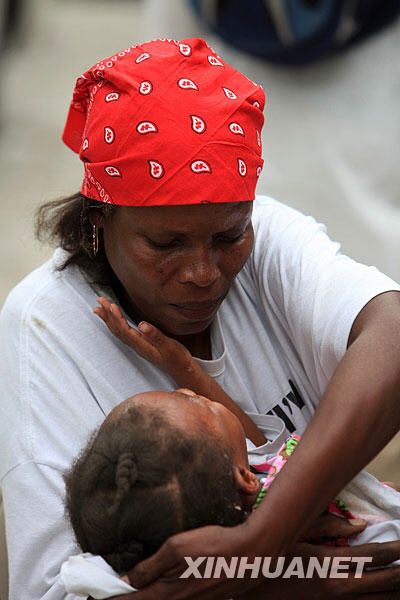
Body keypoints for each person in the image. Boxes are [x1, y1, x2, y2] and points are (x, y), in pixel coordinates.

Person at [0, 36, 400, 600]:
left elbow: (394, 335)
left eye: (229, 237)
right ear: (99, 221)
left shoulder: (266, 237)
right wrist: (283, 578)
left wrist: (262, 539)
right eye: (165, 243)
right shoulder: (44, 329)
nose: (203, 272)